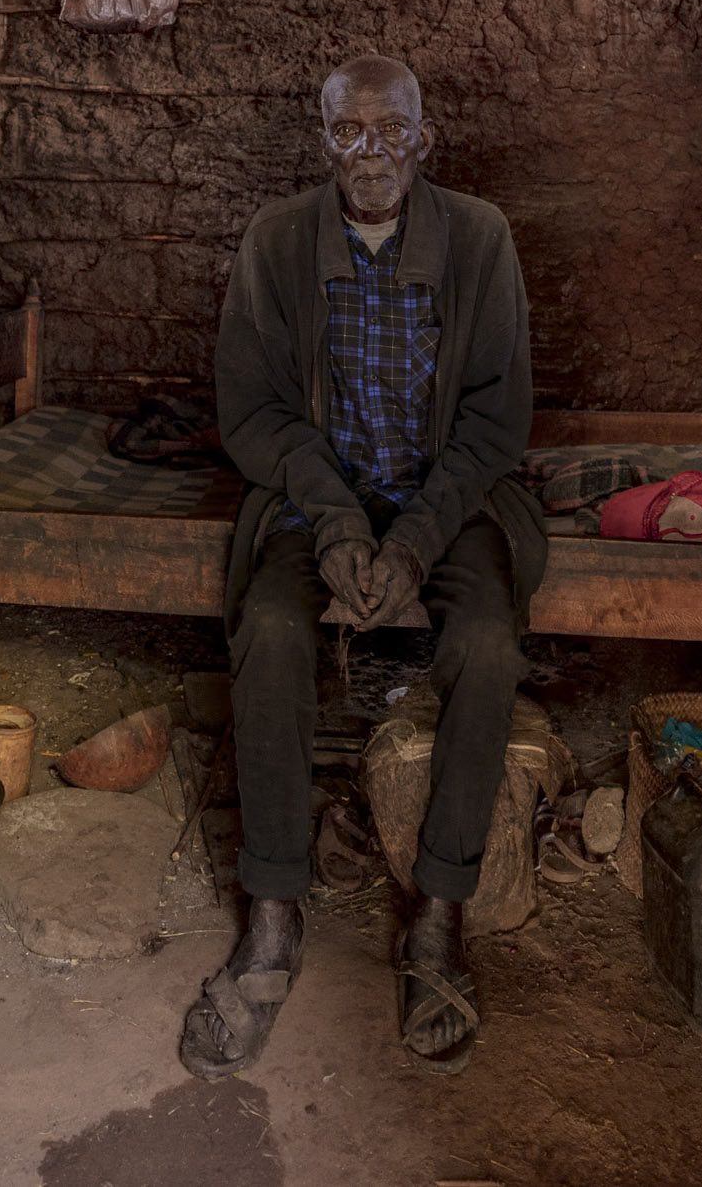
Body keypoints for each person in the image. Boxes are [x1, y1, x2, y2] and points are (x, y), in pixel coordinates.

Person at [178, 53, 547, 1078]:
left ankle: (437, 910)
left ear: (425, 141)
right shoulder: (277, 241)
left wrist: (415, 538)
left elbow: (493, 422)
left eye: (393, 133)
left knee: (484, 643)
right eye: (351, 133)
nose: (371, 155)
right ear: (325, 140)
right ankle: (272, 913)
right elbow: (253, 410)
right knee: (270, 628)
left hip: (445, 503)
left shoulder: (479, 239)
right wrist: (337, 525)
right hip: (317, 503)